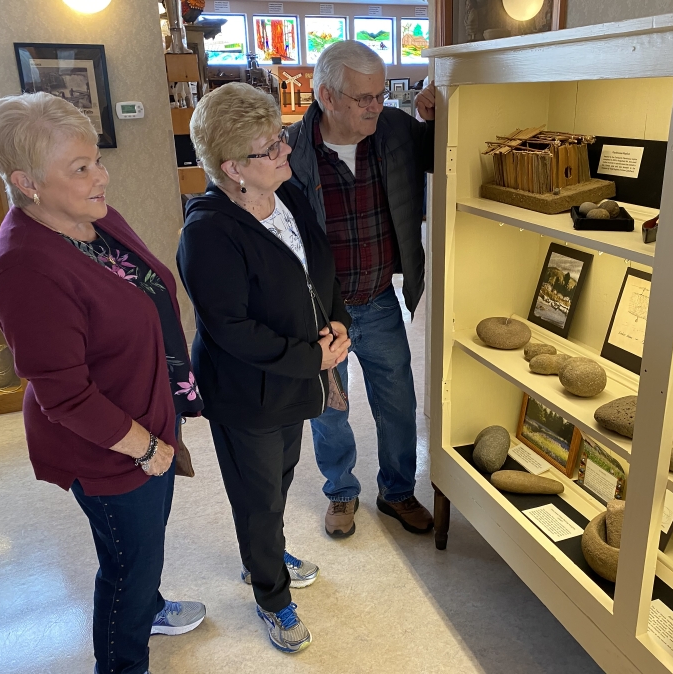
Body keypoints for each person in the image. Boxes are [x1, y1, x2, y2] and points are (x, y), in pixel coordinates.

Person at [0, 92, 205, 674]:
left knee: (145, 549)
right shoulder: (25, 266)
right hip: (111, 446)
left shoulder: (94, 219)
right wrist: (147, 448)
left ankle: (151, 608)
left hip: (149, 414)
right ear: (27, 182)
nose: (102, 177)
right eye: (80, 168)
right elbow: (65, 395)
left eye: (97, 161)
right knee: (128, 569)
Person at [177, 82, 351, 654]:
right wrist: (312, 357)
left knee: (278, 478)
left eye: (281, 137)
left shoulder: (287, 194)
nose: (286, 150)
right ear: (232, 168)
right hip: (246, 391)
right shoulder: (207, 232)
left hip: (294, 379)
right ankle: (272, 597)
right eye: (270, 147)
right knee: (258, 497)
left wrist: (339, 320)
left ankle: (265, 557)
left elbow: (318, 269)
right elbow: (230, 328)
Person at [287, 40, 436, 537]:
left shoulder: (395, 130)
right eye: (363, 98)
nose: (376, 106)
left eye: (380, 94)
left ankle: (397, 492)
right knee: (330, 409)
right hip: (320, 313)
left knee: (398, 403)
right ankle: (341, 492)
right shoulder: (293, 150)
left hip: (378, 299)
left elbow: (444, 151)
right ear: (327, 96)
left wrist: (435, 114)